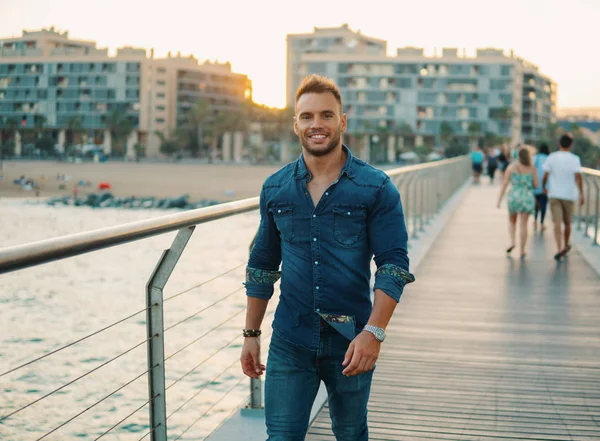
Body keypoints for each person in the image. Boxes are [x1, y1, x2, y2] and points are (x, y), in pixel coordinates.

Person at [240, 74, 415, 441]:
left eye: (326, 115)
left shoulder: (375, 187)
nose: (316, 124)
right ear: (295, 125)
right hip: (291, 337)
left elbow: (393, 266)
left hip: (351, 338)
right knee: (281, 437)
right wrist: (251, 334)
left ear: (342, 121)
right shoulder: (275, 188)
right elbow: (262, 266)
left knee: (351, 434)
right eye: (307, 117)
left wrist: (374, 332)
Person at [542, 134, 584, 260]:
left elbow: (545, 175)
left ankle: (559, 247)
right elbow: (578, 177)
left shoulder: (552, 157)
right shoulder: (575, 159)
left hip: (554, 194)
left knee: (557, 222)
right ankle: (565, 245)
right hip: (569, 195)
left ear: (559, 144)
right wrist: (582, 194)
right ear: (571, 145)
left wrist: (544, 187)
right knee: (568, 223)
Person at [497, 148, 538, 259]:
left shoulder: (511, 167)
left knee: (512, 221)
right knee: (524, 224)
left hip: (514, 196)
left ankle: (512, 242)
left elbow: (505, 184)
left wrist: (499, 200)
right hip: (527, 197)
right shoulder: (532, 168)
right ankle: (522, 250)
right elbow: (536, 184)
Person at [533, 143, 550, 230]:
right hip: (545, 186)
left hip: (535, 185)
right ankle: (542, 223)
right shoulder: (549, 159)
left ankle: (535, 221)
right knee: (543, 205)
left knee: (536, 204)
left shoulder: (536, 158)